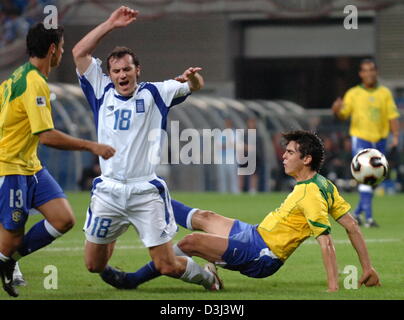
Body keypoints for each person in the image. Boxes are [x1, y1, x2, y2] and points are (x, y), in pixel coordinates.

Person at [100, 130, 381, 292]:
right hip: (255, 233)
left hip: (263, 255)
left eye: (290, 152)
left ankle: (140, 280)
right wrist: (367, 268)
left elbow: (326, 241)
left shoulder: (310, 194)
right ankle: (145, 195)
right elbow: (353, 226)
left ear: (306, 159)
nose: (283, 155)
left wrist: (333, 288)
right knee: (205, 217)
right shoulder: (322, 184)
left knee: (189, 243)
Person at [72, 6, 222, 291]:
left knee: (166, 265)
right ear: (110, 74)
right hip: (108, 191)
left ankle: (207, 277)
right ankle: (113, 240)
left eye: (127, 69)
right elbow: (79, 53)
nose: (122, 75)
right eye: (116, 71)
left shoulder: (156, 92)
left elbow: (197, 86)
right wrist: (110, 24)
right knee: (93, 265)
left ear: (137, 70)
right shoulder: (100, 90)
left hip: (144, 192)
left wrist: (191, 78)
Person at [0, 22, 116, 298]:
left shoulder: (19, 75)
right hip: (10, 166)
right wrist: (91, 146)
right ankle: (6, 258)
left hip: (30, 166)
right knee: (11, 237)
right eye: (62, 48)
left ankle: (7, 260)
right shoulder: (33, 82)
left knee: (63, 219)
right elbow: (47, 136)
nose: (63, 52)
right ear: (52, 49)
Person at [331, 59, 400, 227]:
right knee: (366, 175)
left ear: (376, 72)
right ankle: (368, 218)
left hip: (380, 140)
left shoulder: (384, 93)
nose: (368, 73)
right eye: (365, 70)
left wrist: (396, 135)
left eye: (371, 70)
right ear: (361, 74)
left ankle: (356, 214)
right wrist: (336, 109)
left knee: (374, 179)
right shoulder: (353, 93)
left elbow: (392, 116)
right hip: (361, 138)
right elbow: (343, 115)